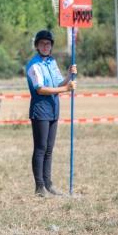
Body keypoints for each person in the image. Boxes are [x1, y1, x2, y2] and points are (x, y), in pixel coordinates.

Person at [25, 30, 77, 197]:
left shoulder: (52, 62)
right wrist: (64, 89)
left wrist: (69, 75)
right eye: (42, 44)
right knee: (40, 149)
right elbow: (41, 89)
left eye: (48, 44)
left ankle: (49, 184)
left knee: (49, 149)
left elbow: (58, 83)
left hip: (54, 109)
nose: (45, 46)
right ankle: (39, 187)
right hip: (40, 110)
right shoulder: (34, 65)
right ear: (37, 46)